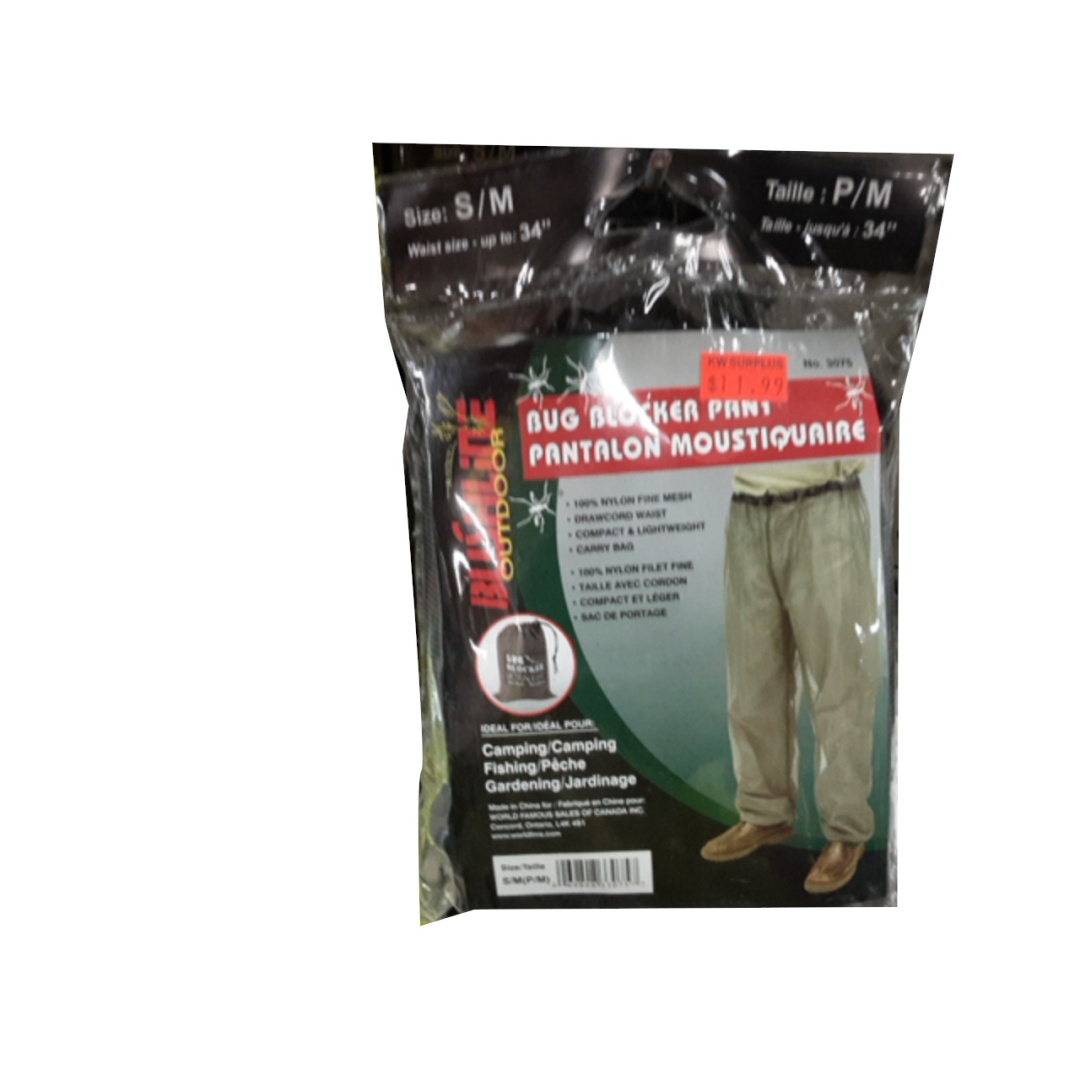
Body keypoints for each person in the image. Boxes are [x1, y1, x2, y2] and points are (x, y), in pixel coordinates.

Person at [700, 458, 881, 894]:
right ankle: (764, 811)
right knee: (752, 677)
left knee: (840, 679)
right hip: (747, 506)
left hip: (825, 502)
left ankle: (847, 831)